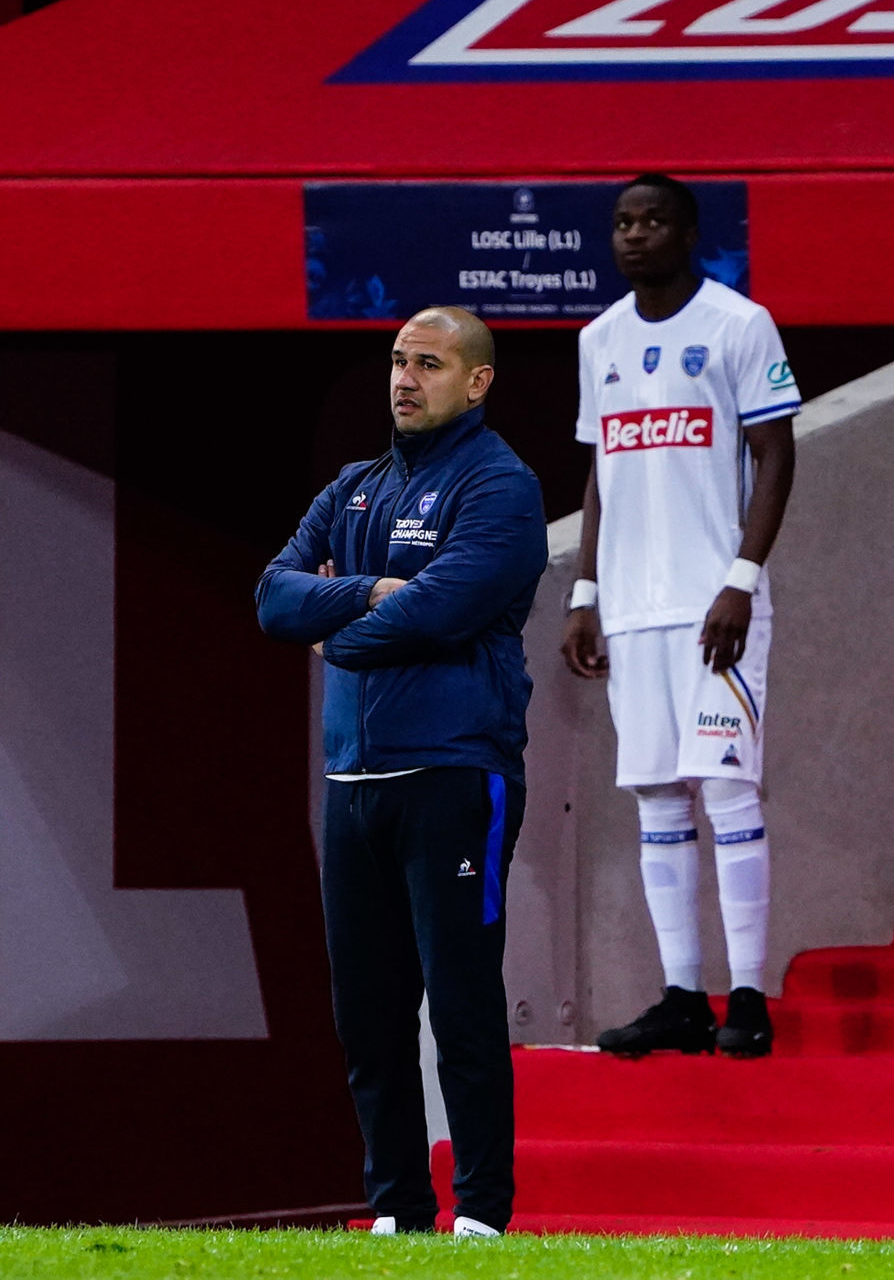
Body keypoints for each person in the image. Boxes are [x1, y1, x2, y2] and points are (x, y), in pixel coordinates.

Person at [255, 306, 546, 1237]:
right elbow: (271, 597)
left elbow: (442, 612)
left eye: (428, 362)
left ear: (478, 380)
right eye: (396, 361)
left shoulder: (501, 488)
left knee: (461, 1000)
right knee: (368, 1015)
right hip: (352, 785)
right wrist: (368, 591)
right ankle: (398, 1214)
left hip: (457, 774)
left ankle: (485, 1217)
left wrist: (335, 626)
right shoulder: (352, 488)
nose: (404, 379)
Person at [561, 173, 800, 1059]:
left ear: (688, 231)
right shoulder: (599, 339)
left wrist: (741, 577)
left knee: (729, 786)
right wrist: (585, 593)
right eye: (622, 222)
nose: (634, 234)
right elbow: (599, 474)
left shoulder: (740, 324)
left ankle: (748, 997)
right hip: (631, 607)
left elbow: (775, 454)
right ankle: (680, 997)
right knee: (657, 797)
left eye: (652, 219)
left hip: (713, 604)